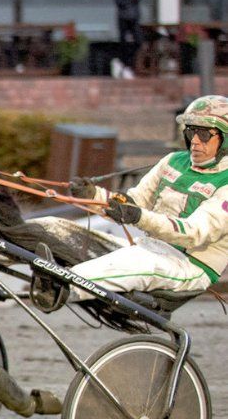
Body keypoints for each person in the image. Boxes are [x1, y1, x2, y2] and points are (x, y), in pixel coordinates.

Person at [64, 95, 228, 302]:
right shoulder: (173, 161)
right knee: (56, 227)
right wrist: (93, 196)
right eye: (190, 131)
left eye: (204, 134)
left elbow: (193, 233)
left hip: (189, 265)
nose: (194, 141)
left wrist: (139, 217)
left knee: (131, 260)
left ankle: (64, 286)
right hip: (149, 249)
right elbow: (134, 202)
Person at [113, 0, 143, 80]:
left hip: (134, 17)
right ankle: (124, 65)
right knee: (124, 42)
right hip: (123, 17)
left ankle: (128, 65)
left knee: (138, 41)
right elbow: (119, 1)